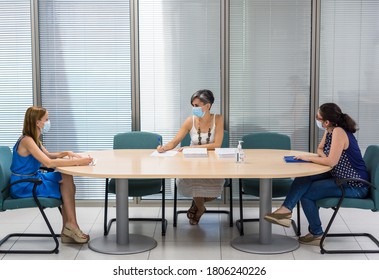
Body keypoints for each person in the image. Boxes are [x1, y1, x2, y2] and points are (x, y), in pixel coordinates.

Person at [264, 102, 369, 246]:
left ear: (326, 122)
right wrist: (323, 157)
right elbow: (320, 149)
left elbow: (331, 161)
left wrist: (309, 158)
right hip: (337, 175)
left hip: (354, 184)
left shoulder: (339, 132)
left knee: (307, 195)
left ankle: (317, 233)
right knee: (304, 177)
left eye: (317, 117)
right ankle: (286, 210)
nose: (316, 119)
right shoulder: (330, 129)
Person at [10, 106, 93, 244]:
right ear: (37, 123)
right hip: (24, 185)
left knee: (66, 177)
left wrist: (67, 153)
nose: (48, 122)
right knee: (66, 186)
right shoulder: (27, 141)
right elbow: (48, 163)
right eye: (46, 119)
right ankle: (71, 226)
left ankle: (69, 228)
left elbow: (48, 155)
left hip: (34, 178)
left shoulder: (34, 139)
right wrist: (79, 161)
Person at [157, 89, 225, 225]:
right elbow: (175, 142)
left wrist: (193, 147)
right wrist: (163, 148)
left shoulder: (218, 119)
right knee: (191, 181)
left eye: (197, 105)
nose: (194, 109)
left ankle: (196, 204)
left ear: (208, 105)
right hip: (192, 162)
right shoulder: (190, 121)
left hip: (213, 163)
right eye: (193, 105)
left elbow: (217, 144)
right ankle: (200, 208)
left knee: (214, 189)